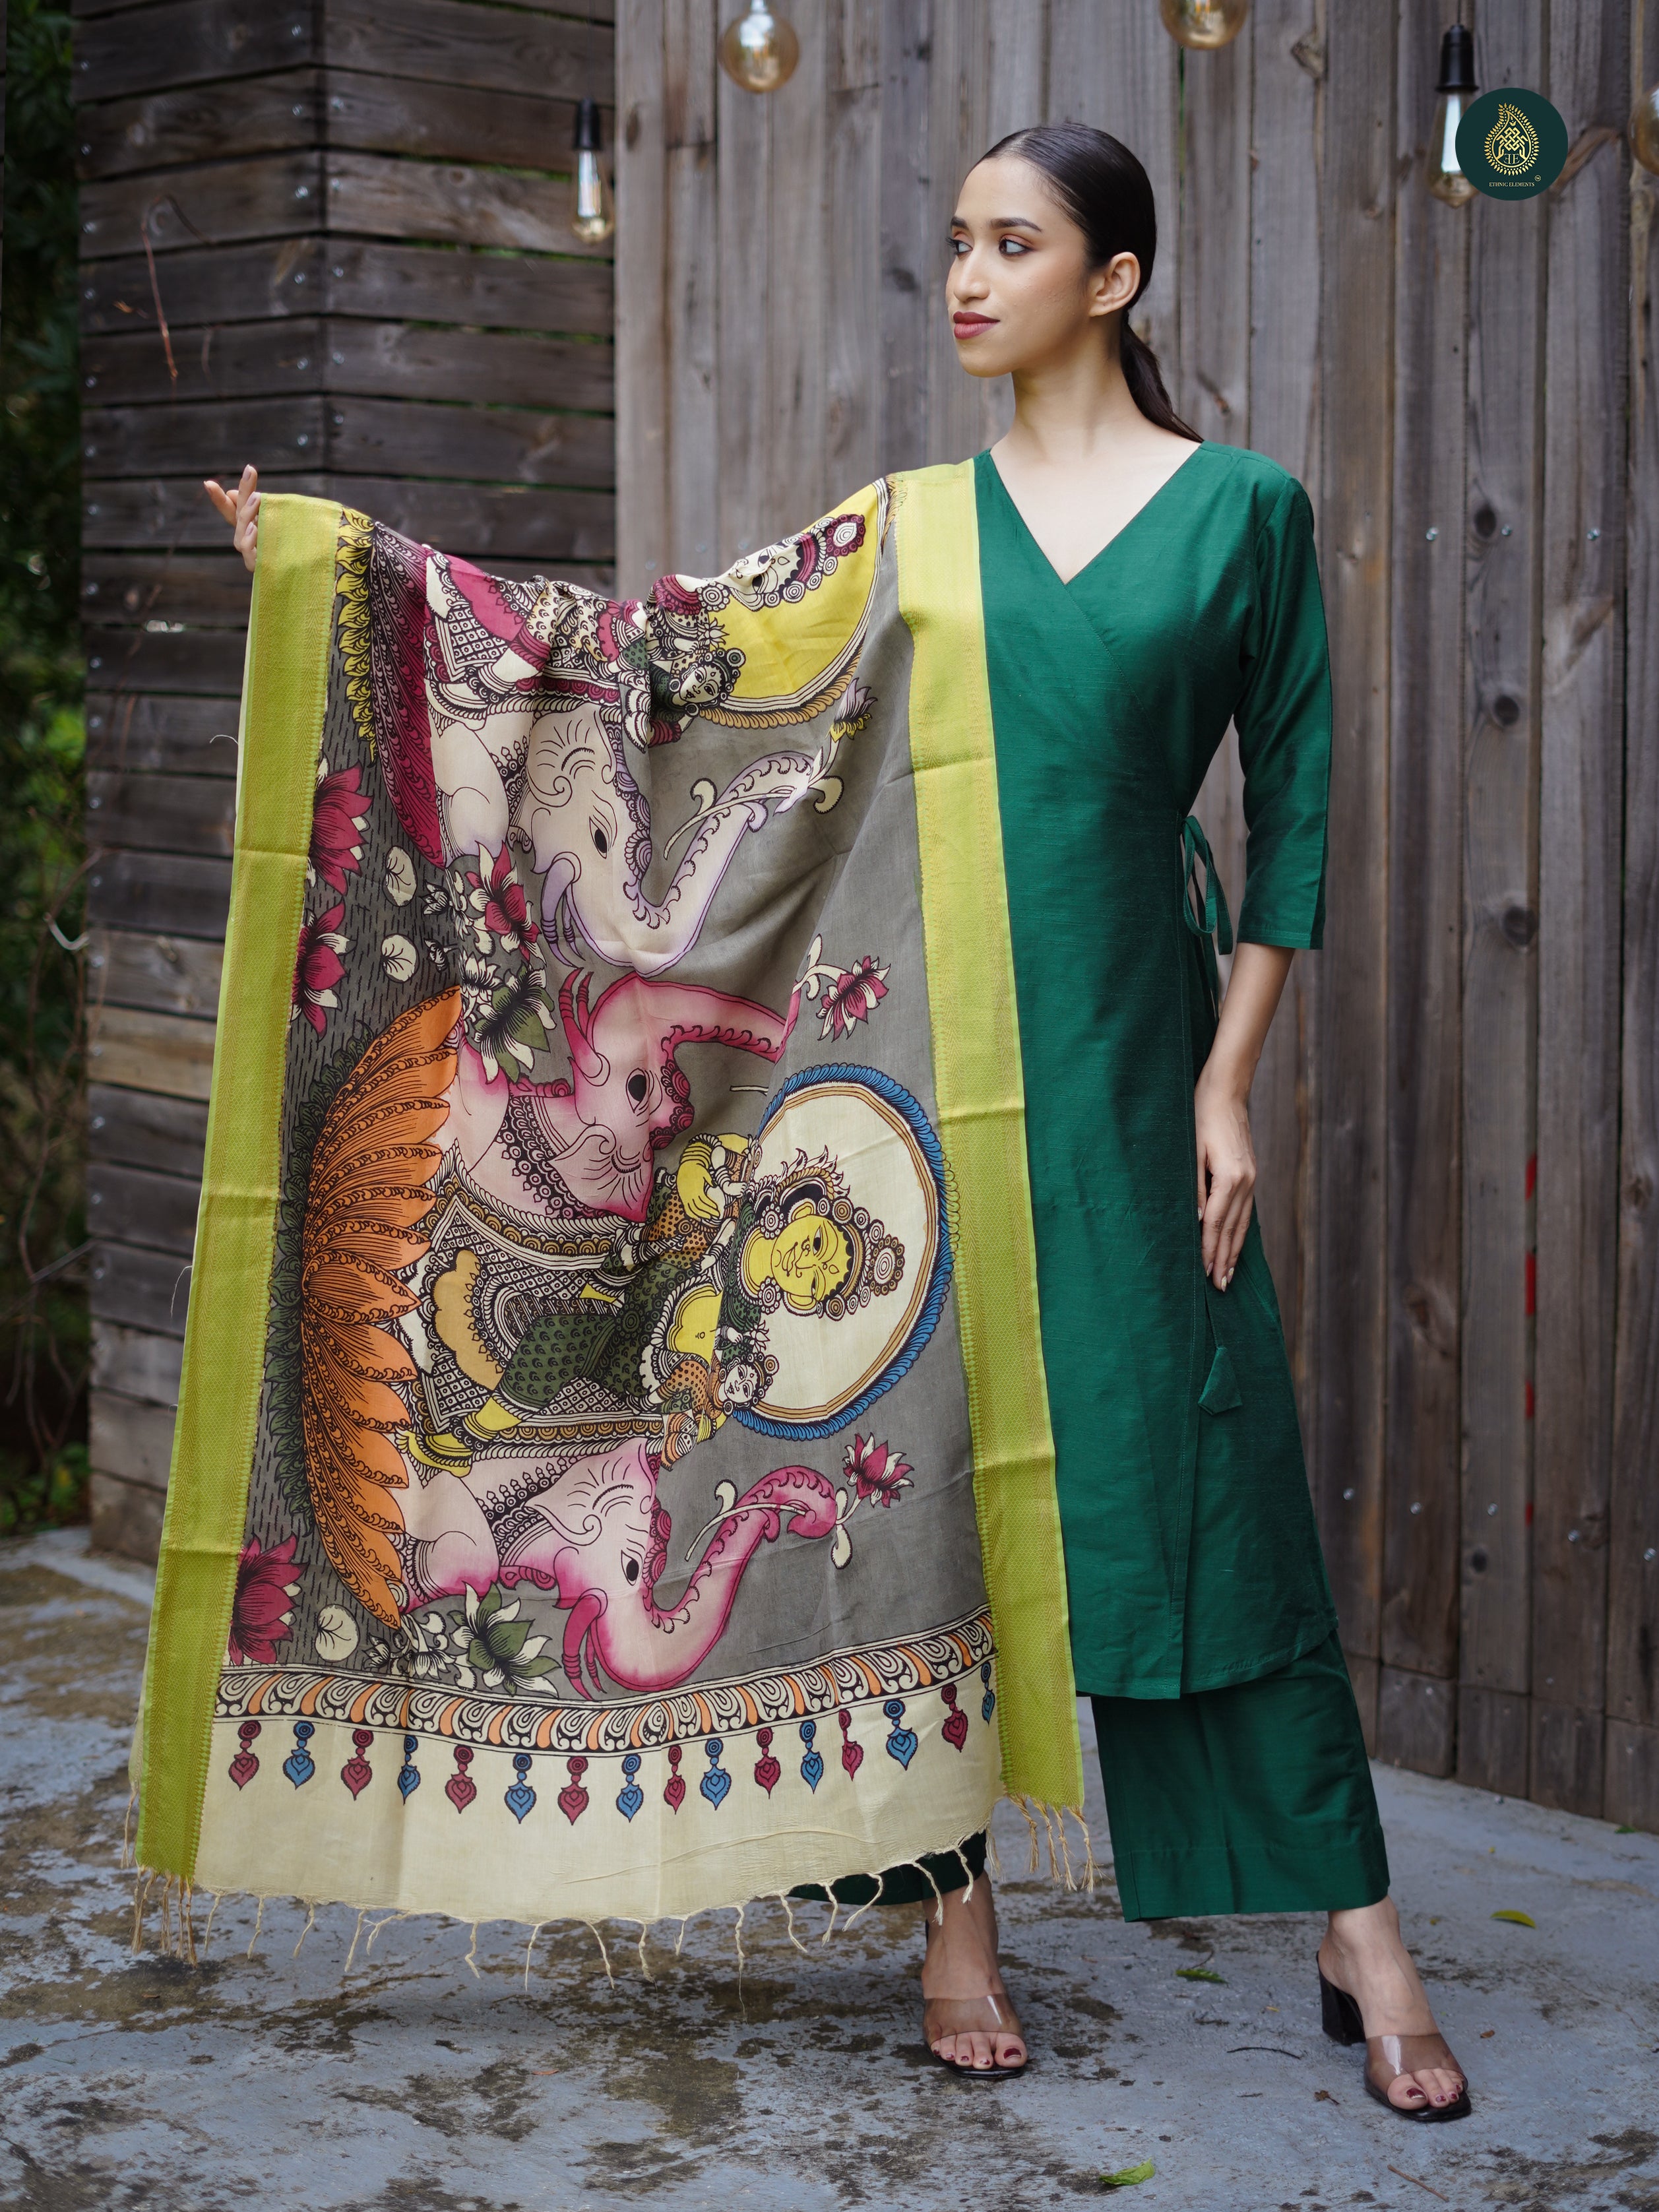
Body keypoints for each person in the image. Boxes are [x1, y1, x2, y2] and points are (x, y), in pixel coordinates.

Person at [204, 119, 1469, 2120]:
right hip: (913, 1068)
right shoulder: (906, 531)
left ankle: (1350, 1917)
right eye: (954, 241)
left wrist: (1230, 1082)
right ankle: (946, 1908)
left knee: (1201, 1471)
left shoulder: (1243, 514)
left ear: (1112, 278)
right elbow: (648, 666)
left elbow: (1293, 816)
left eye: (1012, 243)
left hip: (1140, 1052)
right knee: (921, 1470)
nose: (966, 278)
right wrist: (344, 568)